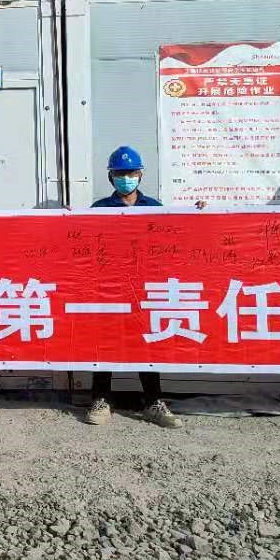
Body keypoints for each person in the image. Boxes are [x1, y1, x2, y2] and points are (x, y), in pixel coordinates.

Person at [82, 146, 181, 430]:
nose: (126, 178)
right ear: (111, 177)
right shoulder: (99, 209)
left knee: (145, 346)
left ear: (140, 175)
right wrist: (68, 220)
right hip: (110, 289)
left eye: (131, 173)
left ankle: (153, 402)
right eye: (120, 173)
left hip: (145, 290)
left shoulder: (155, 208)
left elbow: (174, 239)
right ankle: (101, 400)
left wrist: (198, 213)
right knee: (105, 345)